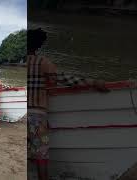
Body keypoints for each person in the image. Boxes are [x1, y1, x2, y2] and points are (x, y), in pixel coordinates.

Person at [27, 28, 109, 180]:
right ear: (39, 45)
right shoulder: (42, 62)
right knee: (41, 153)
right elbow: (65, 79)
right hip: (37, 115)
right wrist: (93, 82)